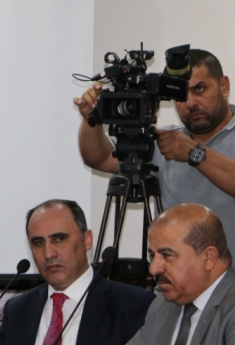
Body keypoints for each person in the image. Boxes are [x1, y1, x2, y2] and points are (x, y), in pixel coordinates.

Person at [66, 204, 235, 345]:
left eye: (167, 255)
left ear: (209, 257)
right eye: (152, 256)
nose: (154, 268)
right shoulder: (163, 305)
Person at [0, 200, 154, 345]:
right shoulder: (19, 308)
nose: (48, 253)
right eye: (38, 242)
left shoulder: (132, 305)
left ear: (87, 240)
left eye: (59, 239)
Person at [76, 48, 235, 246]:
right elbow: (99, 158)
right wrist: (91, 119)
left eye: (199, 89)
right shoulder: (166, 140)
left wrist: (194, 152)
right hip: (173, 265)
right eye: (181, 95)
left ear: (224, 86)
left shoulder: (179, 144)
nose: (190, 103)